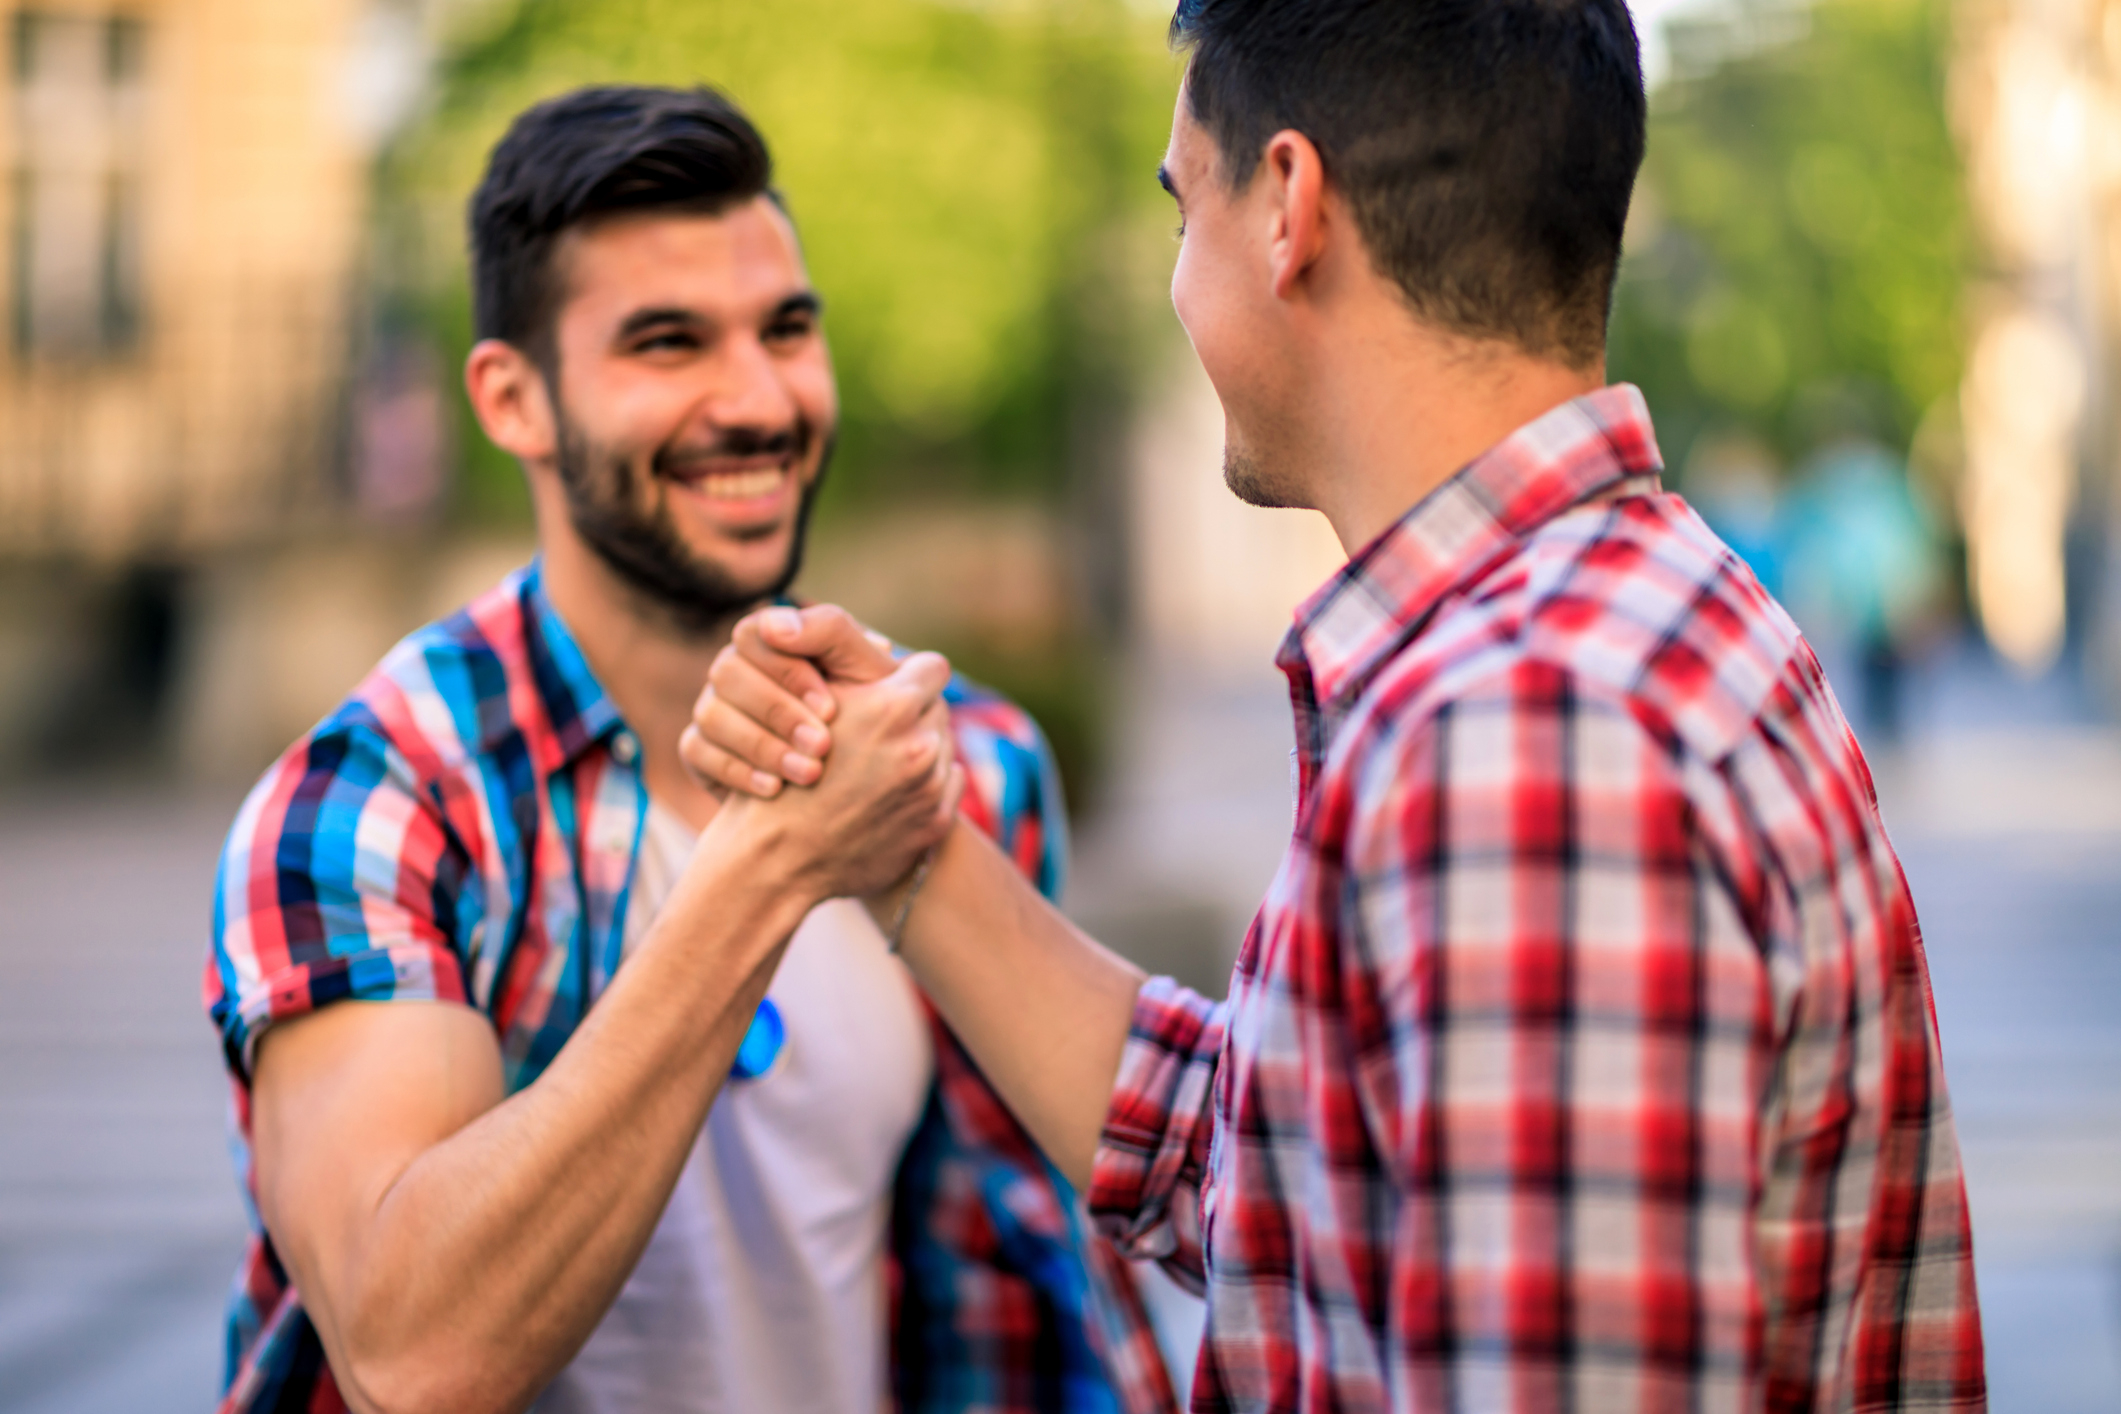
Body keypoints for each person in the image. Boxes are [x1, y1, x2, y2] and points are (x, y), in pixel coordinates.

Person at [687, 2, 1989, 1409]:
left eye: (1186, 206)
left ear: (1288, 208)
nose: (1178, 280)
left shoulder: (1527, 737)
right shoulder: (1629, 620)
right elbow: (1261, 1165)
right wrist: (911, 841)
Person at [204, 85, 1176, 1414]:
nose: (758, 399)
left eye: (786, 329)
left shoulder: (967, 762)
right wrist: (772, 858)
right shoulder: (379, 803)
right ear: (513, 399)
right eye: (667, 344)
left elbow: (1023, 1271)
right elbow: (411, 1350)